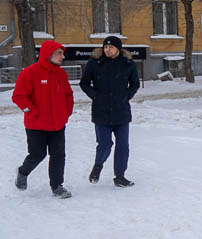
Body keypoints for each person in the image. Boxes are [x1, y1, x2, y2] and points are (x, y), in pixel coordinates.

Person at [12, 39, 75, 199]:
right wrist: (32, 112)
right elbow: (19, 97)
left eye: (62, 53)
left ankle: (57, 186)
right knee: (37, 154)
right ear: (49, 54)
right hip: (36, 125)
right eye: (59, 53)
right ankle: (23, 172)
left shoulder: (61, 73)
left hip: (58, 125)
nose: (62, 57)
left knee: (58, 155)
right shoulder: (29, 72)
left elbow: (68, 95)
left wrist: (66, 112)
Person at [79, 35, 140, 188]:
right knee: (105, 144)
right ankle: (98, 165)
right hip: (101, 112)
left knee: (123, 146)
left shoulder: (128, 64)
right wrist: (95, 96)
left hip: (121, 112)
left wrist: (126, 96)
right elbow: (84, 83)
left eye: (111, 47)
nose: (107, 50)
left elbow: (135, 84)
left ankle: (120, 176)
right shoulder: (95, 63)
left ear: (118, 49)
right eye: (105, 47)